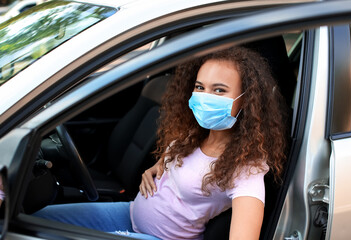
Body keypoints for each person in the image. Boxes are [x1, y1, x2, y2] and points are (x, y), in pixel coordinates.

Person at [33, 46, 288, 240]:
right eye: (199, 87)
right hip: (130, 213)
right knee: (32, 222)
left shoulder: (246, 168)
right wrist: (155, 169)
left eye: (219, 90)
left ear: (246, 101)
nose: (205, 97)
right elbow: (177, 163)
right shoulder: (196, 134)